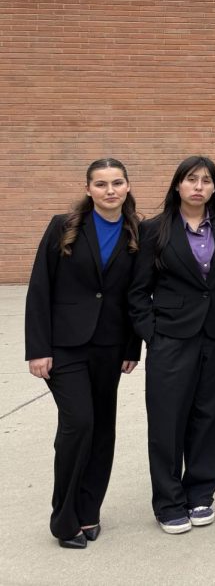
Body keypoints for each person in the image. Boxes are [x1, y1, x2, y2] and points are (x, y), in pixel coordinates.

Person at [24, 158, 142, 548]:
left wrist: (132, 345)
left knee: (103, 428)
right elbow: (41, 286)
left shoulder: (136, 231)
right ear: (88, 188)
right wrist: (38, 349)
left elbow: (135, 296)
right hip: (64, 346)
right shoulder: (64, 226)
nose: (110, 190)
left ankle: (89, 510)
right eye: (101, 184)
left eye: (117, 182)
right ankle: (64, 518)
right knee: (79, 425)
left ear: (127, 187)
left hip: (110, 346)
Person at [129, 156, 215, 534]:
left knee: (210, 417)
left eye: (206, 180)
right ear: (177, 185)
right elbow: (138, 291)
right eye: (191, 179)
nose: (198, 186)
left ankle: (201, 493)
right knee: (167, 420)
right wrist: (152, 335)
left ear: (214, 188)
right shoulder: (154, 230)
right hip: (171, 338)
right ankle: (168, 501)